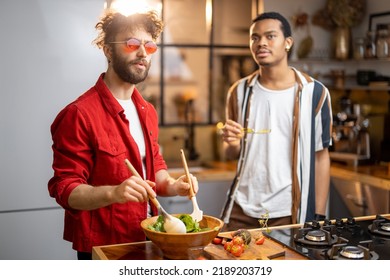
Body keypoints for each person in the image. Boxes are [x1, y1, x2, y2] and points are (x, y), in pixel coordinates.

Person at [48, 10, 198, 260]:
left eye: (149, 47)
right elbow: (65, 188)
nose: (142, 53)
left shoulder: (147, 111)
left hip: (148, 237)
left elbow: (154, 169)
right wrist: (114, 193)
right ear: (108, 50)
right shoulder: (79, 114)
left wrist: (173, 186)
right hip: (105, 247)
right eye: (132, 44)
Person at [220, 12, 332, 231]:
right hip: (241, 209)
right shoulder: (238, 91)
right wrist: (231, 144)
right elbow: (230, 153)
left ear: (287, 43)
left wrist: (317, 215)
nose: (261, 42)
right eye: (255, 37)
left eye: (270, 36)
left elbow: (321, 156)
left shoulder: (315, 93)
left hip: (289, 211)